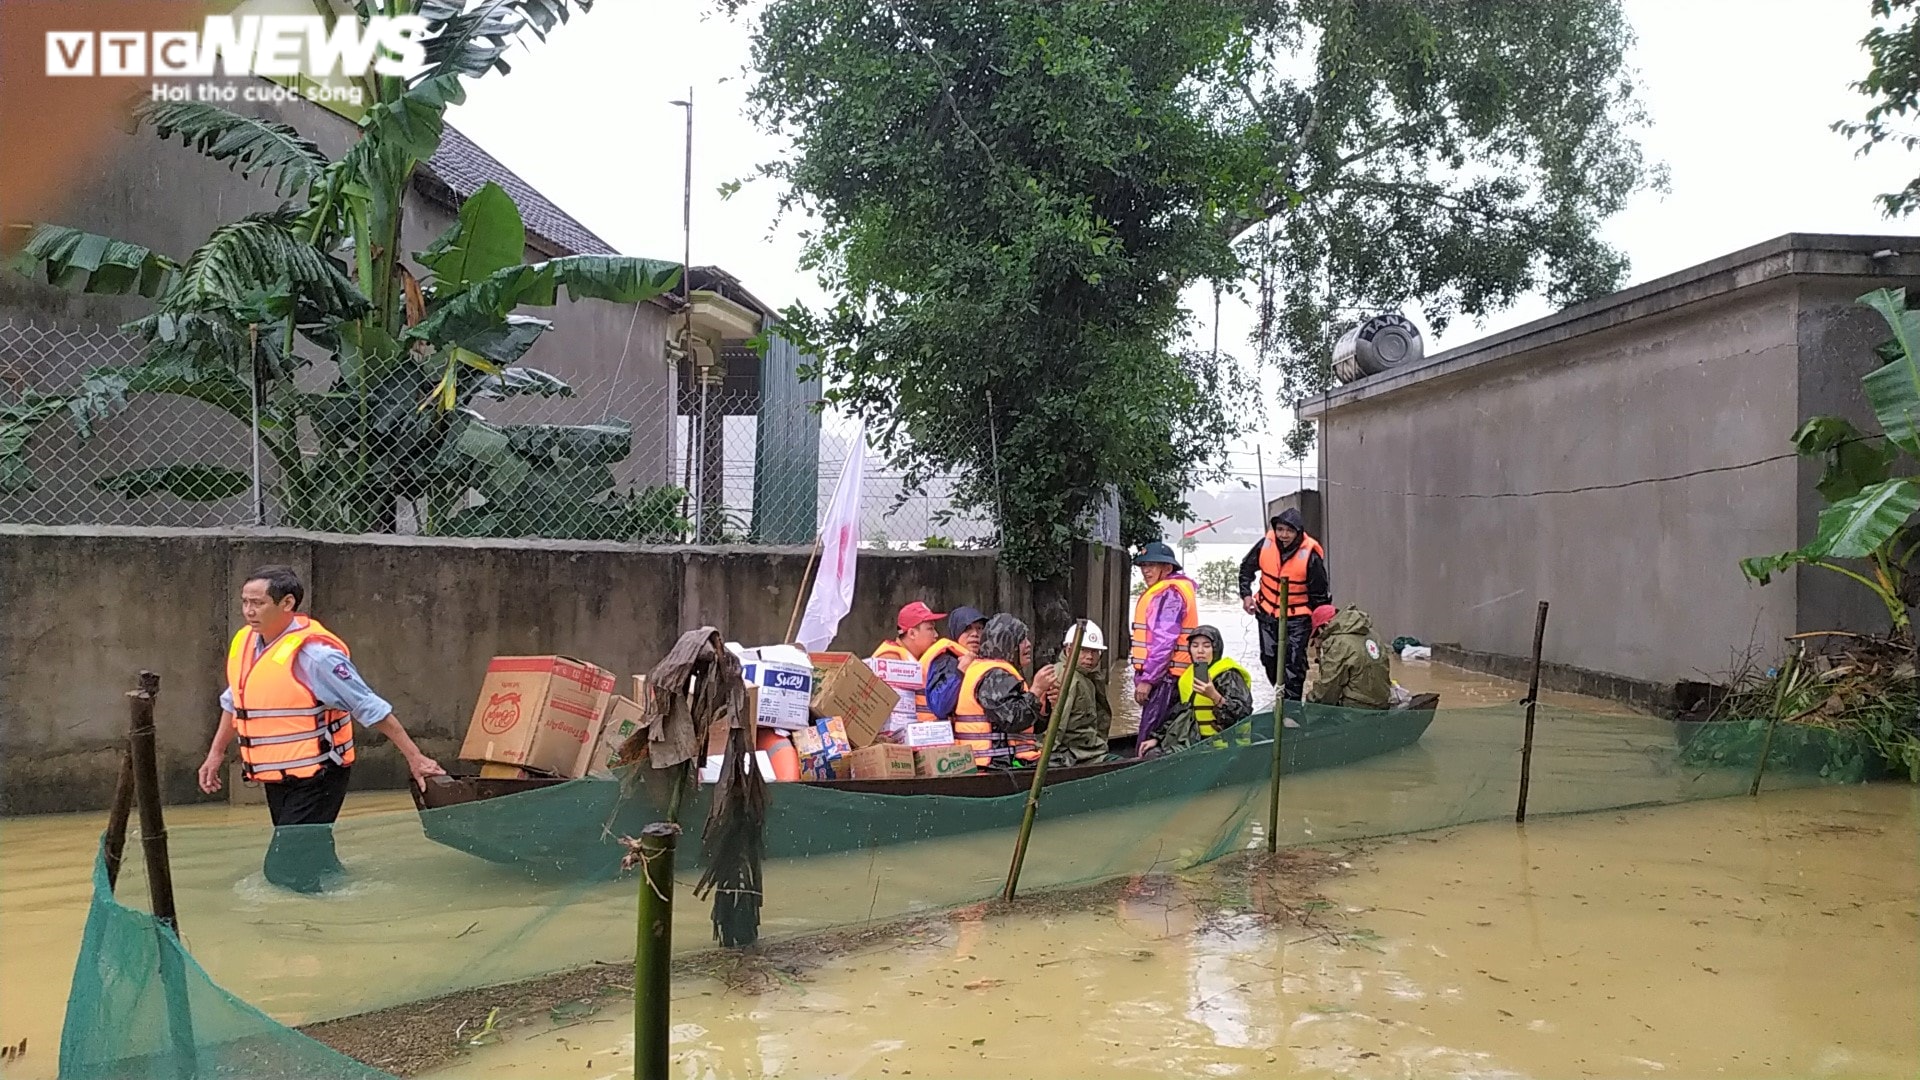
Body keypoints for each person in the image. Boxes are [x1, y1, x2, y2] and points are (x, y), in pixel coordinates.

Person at [198, 565, 445, 893]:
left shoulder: (316, 657)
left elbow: (370, 707)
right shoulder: (246, 644)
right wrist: (215, 754)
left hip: (320, 773)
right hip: (278, 774)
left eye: (257, 603)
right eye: (245, 602)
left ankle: (313, 924)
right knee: (309, 854)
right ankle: (335, 891)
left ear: (287, 604)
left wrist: (416, 759)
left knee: (284, 870)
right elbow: (235, 702)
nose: (248, 611)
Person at [1238, 507, 1330, 701]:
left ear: (1298, 532)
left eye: (1289, 531)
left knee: (1293, 665)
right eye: (1280, 530)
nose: (1283, 535)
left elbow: (1320, 597)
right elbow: (1246, 570)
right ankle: (1282, 699)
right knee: (1269, 659)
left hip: (1298, 619)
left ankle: (1292, 709)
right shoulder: (1265, 545)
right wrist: (1246, 596)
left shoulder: (1311, 557)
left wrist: (1319, 628)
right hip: (1266, 613)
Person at [953, 614, 1057, 768]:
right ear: (1007, 643)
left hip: (1009, 764)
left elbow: (1027, 728)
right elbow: (1012, 720)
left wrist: (1042, 705)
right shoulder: (993, 676)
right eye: (1021, 640)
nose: (1028, 644)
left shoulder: (1003, 674)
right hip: (994, 767)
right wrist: (1036, 691)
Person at [1129, 542, 1199, 754]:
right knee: (1161, 734)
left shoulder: (1169, 594)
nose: (1145, 571)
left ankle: (1144, 777)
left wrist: (1148, 680)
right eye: (1143, 566)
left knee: (1150, 737)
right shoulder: (1167, 591)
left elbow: (1164, 642)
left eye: (1151, 565)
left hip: (1167, 679)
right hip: (1167, 677)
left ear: (1167, 569)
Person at [1039, 619, 1113, 766]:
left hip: (1090, 749)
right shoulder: (1067, 678)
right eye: (1083, 650)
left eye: (1094, 651)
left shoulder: (1087, 677)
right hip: (1077, 754)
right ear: (1068, 650)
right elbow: (1058, 724)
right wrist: (1044, 757)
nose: (1090, 657)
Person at [1306, 605, 1393, 710]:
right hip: (1382, 704)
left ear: (1326, 625)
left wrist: (1308, 705)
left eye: (1317, 634)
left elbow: (1327, 690)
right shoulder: (1372, 634)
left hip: (1354, 710)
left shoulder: (1339, 643)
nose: (1319, 638)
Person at [916, 605, 987, 724]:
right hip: (944, 738)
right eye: (967, 628)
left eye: (979, 628)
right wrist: (960, 671)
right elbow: (940, 706)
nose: (975, 634)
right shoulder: (946, 661)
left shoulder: (984, 663)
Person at [871, 601, 944, 663]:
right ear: (912, 634)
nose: (936, 635)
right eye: (930, 628)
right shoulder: (889, 659)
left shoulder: (916, 656)